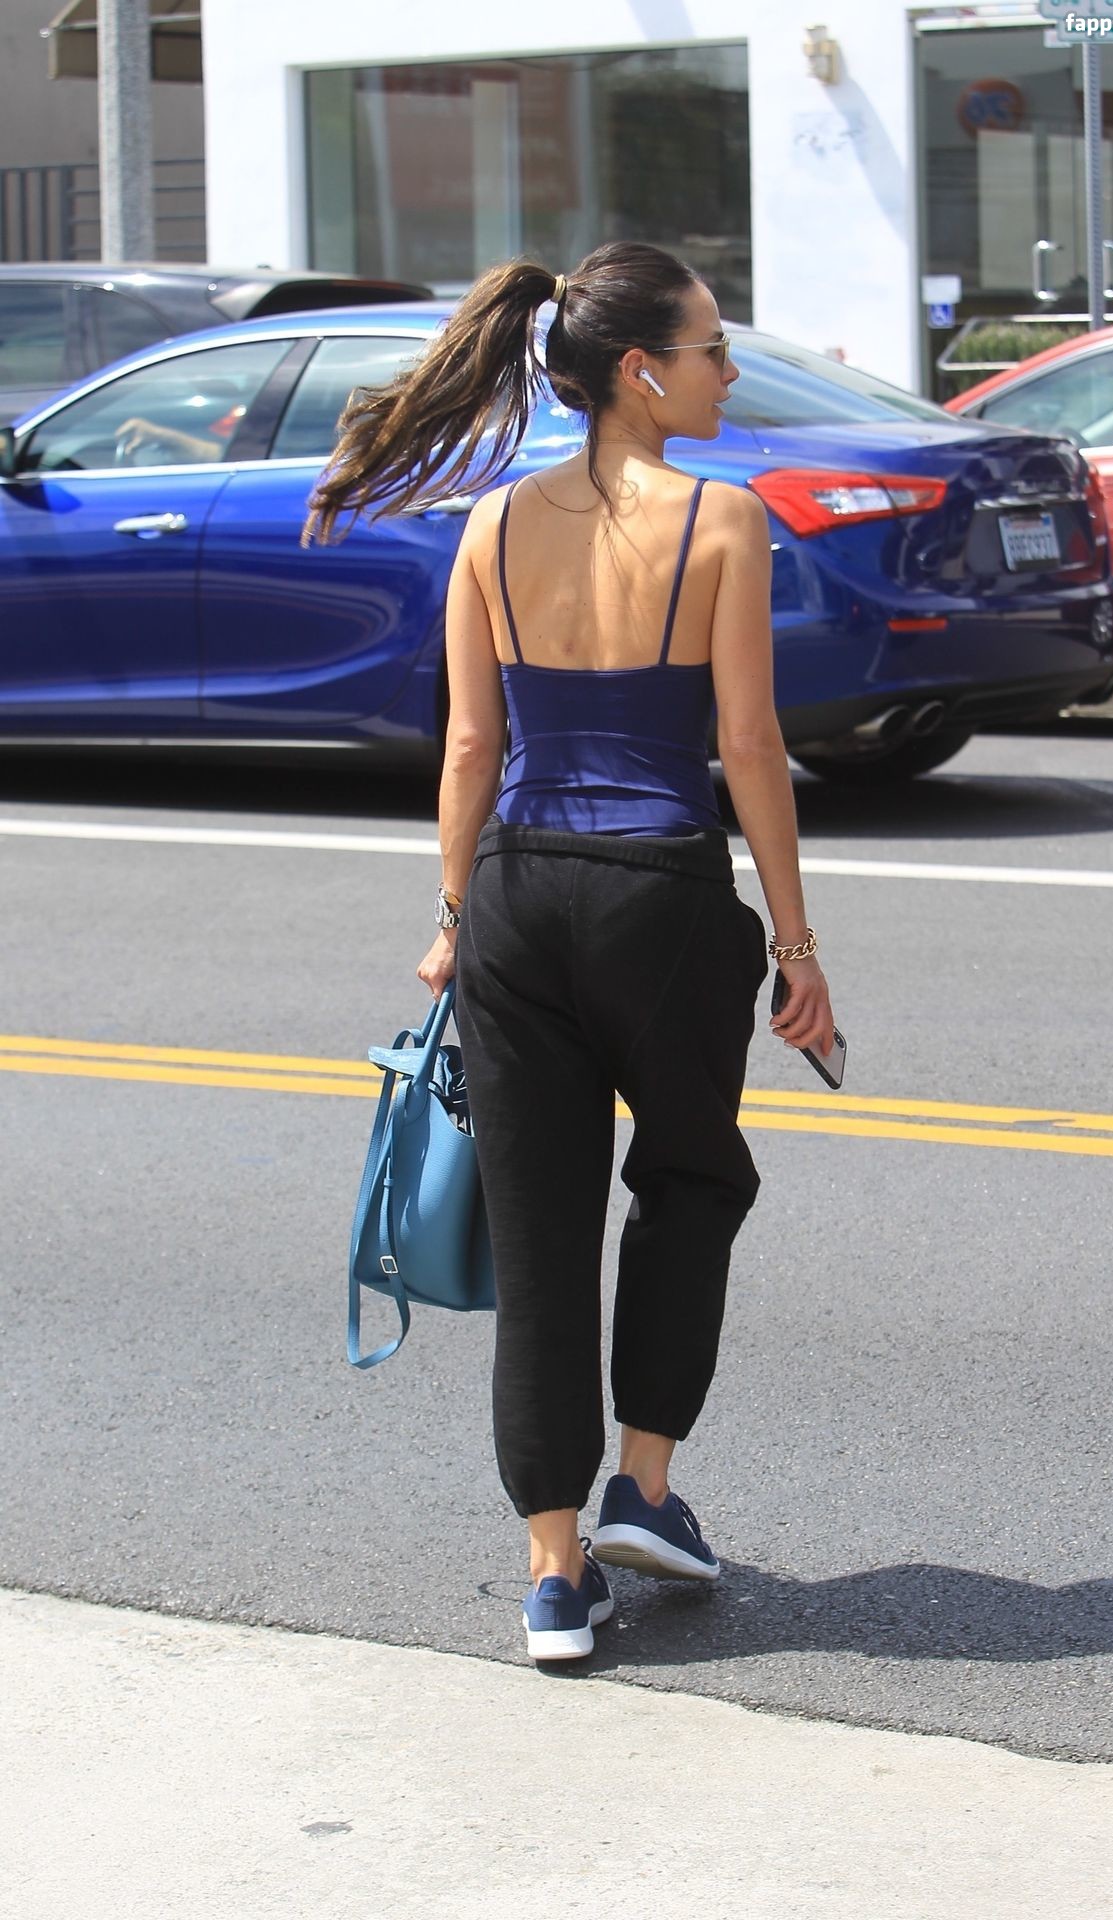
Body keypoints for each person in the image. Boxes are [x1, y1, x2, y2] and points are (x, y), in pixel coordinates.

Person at [304, 241, 833, 1663]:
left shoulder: (490, 527)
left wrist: (451, 919)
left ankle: (554, 1579)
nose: (729, 371)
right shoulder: (723, 521)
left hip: (518, 897)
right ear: (642, 374)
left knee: (541, 1236)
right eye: (712, 349)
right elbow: (748, 747)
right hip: (661, 895)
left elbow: (470, 748)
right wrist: (795, 943)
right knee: (693, 1176)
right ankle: (643, 1488)